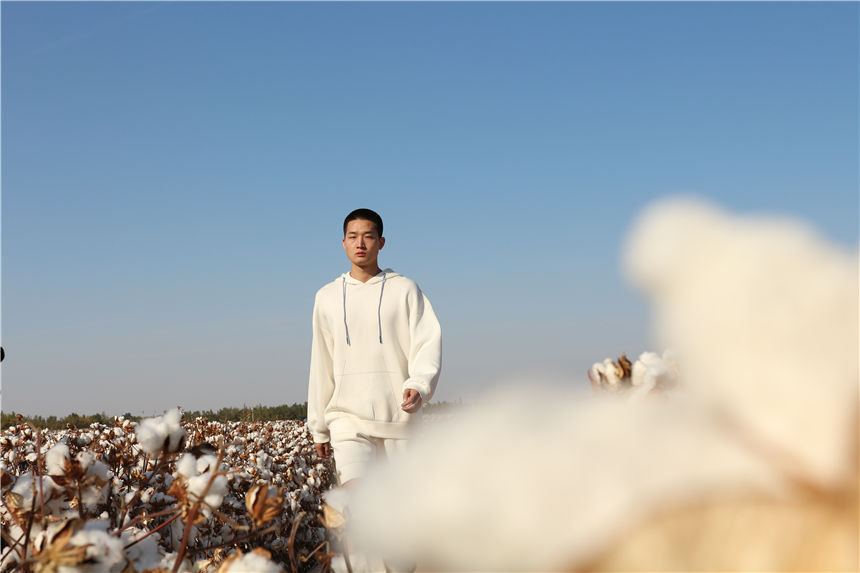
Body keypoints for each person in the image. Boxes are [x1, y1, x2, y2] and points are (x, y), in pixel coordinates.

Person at [307, 208, 442, 487]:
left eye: (368, 236)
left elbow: (427, 340)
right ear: (343, 242)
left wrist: (420, 384)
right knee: (354, 501)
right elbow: (321, 362)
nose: (360, 244)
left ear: (381, 242)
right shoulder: (327, 297)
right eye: (353, 236)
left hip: (399, 419)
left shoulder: (406, 289)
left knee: (398, 510)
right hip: (347, 420)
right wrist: (319, 427)